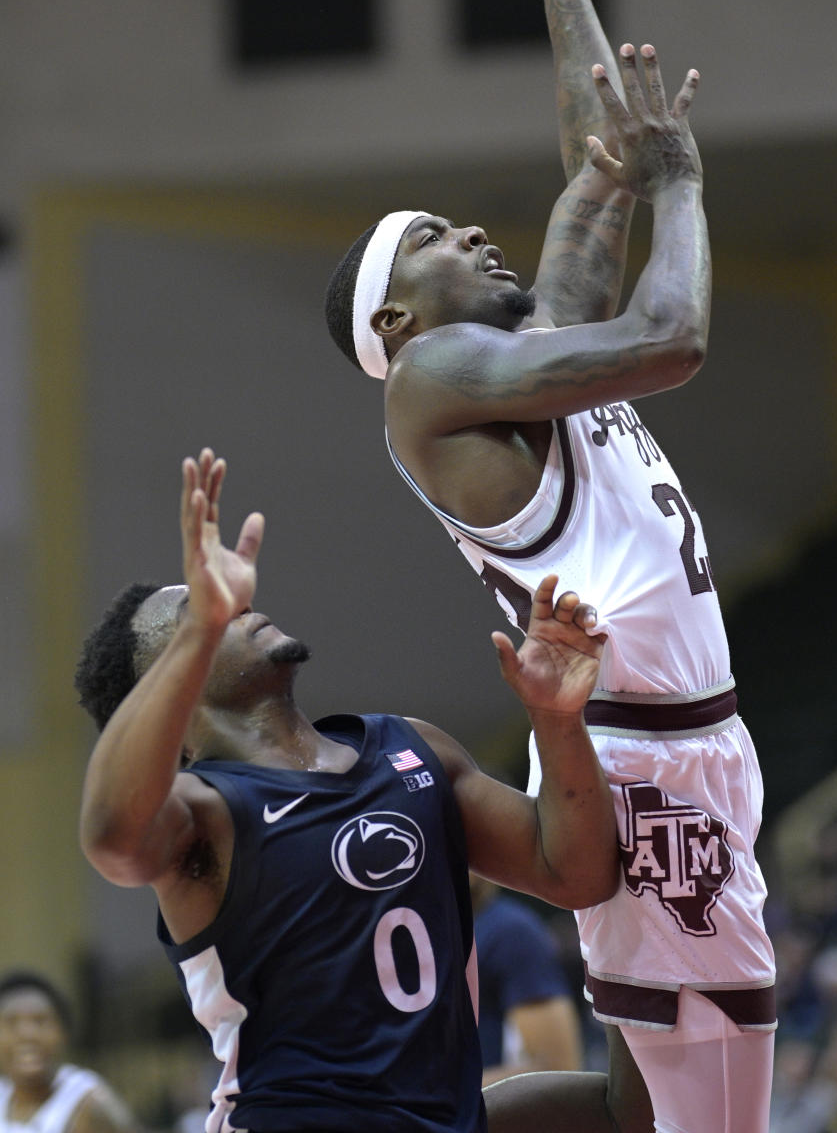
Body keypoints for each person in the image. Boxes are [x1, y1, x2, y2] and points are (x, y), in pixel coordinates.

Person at [324, 0, 777, 1133]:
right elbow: (675, 332)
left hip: (686, 739)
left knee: (652, 1105)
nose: (465, 228)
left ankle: (422, 1123)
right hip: (638, 750)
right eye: (427, 238)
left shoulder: (521, 365)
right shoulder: (433, 376)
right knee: (707, 1120)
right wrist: (682, 181)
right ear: (397, 319)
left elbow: (597, 165)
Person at [75, 449, 628, 1133]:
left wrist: (556, 719)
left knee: (639, 1106)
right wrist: (202, 632)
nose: (234, 602)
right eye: (196, 615)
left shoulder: (410, 746)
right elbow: (109, 836)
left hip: (442, 1119)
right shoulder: (203, 814)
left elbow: (574, 871)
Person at [469, 874, 582, 1087]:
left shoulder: (509, 932)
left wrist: (432, 1101)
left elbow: (557, 1070)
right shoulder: (404, 930)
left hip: (479, 1115)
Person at [0, 972, 136, 1133]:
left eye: (40, 1021)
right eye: (11, 1022)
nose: (27, 1035)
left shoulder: (90, 1105)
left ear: (63, 1034)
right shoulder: (4, 1093)